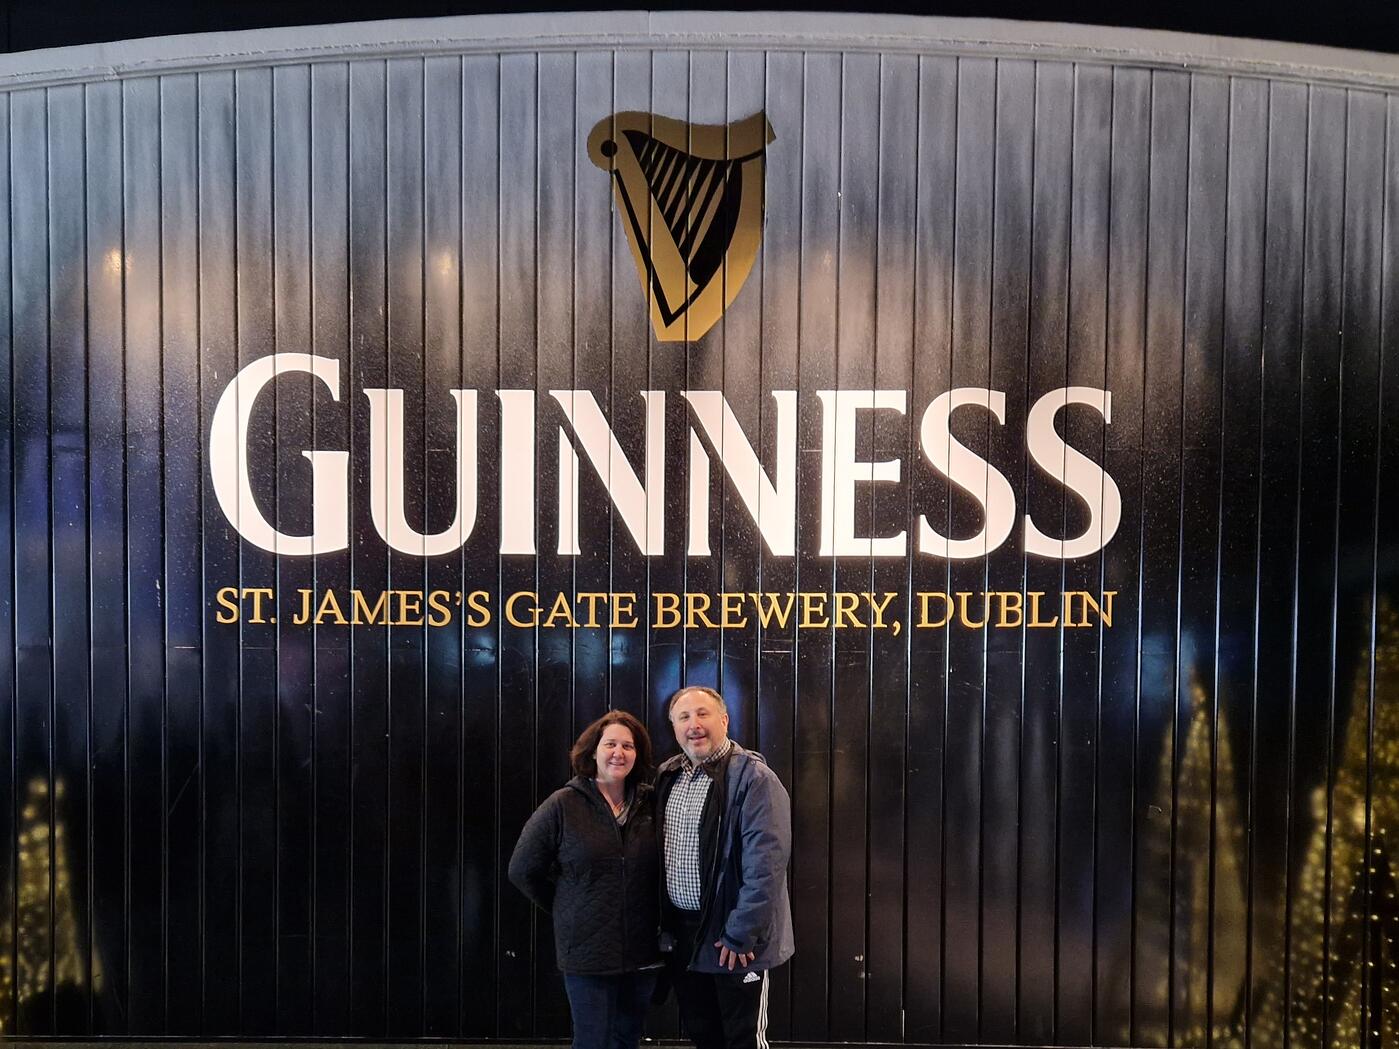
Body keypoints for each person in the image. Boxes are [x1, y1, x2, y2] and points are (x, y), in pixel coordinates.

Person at [509, 710, 661, 1049]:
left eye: (628, 745)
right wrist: (568, 906)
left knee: (627, 1040)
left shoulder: (653, 802)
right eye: (610, 744)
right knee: (592, 1041)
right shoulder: (563, 804)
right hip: (587, 952)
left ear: (638, 755)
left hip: (643, 951)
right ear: (593, 751)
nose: (619, 753)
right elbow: (522, 870)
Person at [656, 685, 793, 1049]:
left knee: (743, 1039)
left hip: (733, 941)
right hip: (685, 938)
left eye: (703, 714)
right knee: (705, 1036)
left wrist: (741, 933)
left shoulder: (755, 779)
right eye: (683, 717)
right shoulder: (667, 776)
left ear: (724, 720)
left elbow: (767, 865)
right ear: (673, 727)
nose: (694, 725)